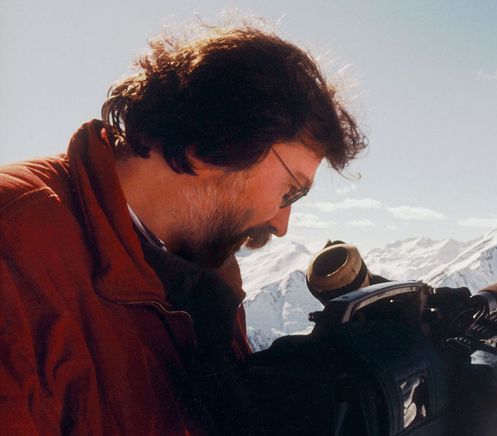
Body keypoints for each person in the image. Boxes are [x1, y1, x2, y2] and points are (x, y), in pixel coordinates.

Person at [0, 19, 366, 435]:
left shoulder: (204, 276)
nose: (282, 224)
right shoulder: (14, 248)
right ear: (227, 139)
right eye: (290, 191)